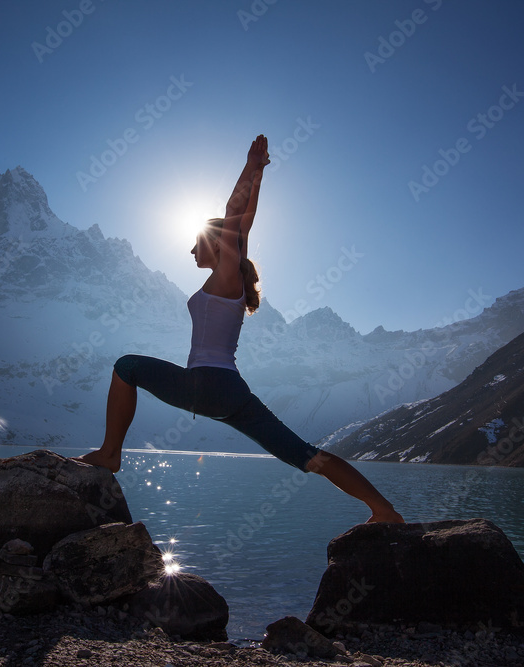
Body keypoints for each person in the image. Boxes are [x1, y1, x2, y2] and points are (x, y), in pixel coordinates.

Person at [77, 135, 403, 524]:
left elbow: (235, 215)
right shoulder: (228, 280)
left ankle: (111, 452)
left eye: (196, 243)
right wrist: (259, 175)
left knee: (126, 365)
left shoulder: (226, 277)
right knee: (306, 455)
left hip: (206, 385)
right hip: (232, 393)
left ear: (217, 245)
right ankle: (384, 510)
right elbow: (243, 224)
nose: (190, 251)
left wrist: (249, 166)